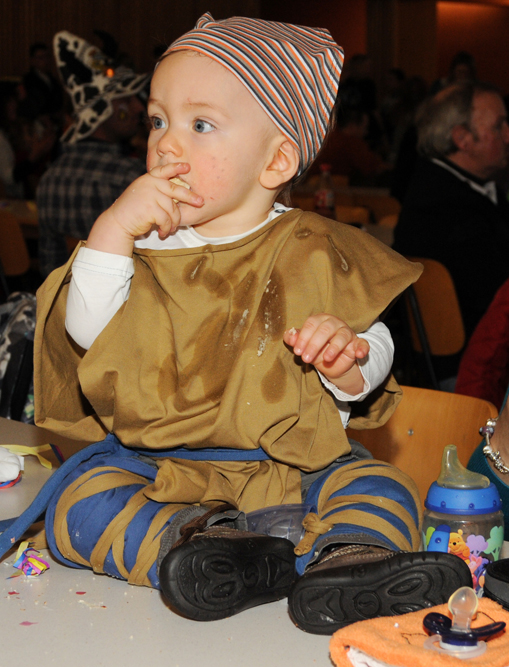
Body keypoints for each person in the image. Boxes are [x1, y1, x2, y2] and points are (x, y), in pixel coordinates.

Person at [21, 15, 470, 635]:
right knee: (79, 501)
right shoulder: (135, 247)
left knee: (380, 483)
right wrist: (112, 230)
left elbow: (378, 343)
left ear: (276, 159)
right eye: (157, 120)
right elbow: (86, 331)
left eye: (200, 125)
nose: (166, 145)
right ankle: (201, 547)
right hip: (162, 471)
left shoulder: (316, 250)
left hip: (292, 467)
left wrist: (349, 361)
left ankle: (348, 558)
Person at [393, 82, 509, 377]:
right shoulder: (445, 209)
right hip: (472, 371)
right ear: (462, 138)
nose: (508, 135)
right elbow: (497, 297)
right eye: (499, 126)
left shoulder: (446, 187)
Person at [36, 31, 148, 277]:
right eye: (126, 99)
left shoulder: (49, 179)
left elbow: (48, 268)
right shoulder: (132, 178)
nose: (138, 107)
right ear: (99, 111)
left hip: (61, 298)